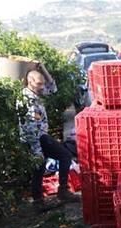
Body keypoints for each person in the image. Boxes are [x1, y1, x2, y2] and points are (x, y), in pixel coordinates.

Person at [17, 67, 78, 208]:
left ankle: (41, 200)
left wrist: (42, 68)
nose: (42, 87)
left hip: (41, 135)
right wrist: (40, 146)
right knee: (63, 156)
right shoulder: (27, 98)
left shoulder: (36, 92)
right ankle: (57, 194)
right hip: (35, 138)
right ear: (29, 81)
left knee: (40, 168)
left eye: (42, 84)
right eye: (39, 84)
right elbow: (32, 124)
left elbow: (52, 88)